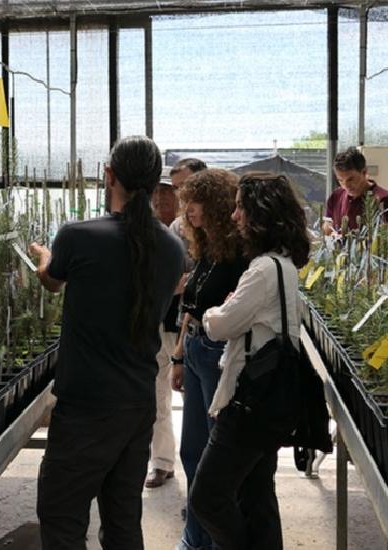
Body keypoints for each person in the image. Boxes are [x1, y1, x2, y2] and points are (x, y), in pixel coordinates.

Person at [29, 135, 184, 550]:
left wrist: (44, 256)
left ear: (108, 176)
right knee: (122, 519)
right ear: (156, 186)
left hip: (86, 405)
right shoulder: (172, 247)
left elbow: (51, 282)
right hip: (136, 403)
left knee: (62, 517)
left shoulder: (78, 237)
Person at [189, 172, 312, 549]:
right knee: (256, 496)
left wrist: (212, 312)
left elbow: (220, 325)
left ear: (260, 213)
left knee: (207, 497)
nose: (234, 216)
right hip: (269, 401)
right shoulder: (283, 264)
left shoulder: (261, 270)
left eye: (241, 207)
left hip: (248, 402)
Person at [170, 168, 248, 550]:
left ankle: (215, 540)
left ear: (216, 204)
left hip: (221, 357)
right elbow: (190, 306)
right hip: (198, 352)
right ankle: (195, 538)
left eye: (193, 203)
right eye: (185, 204)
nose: (188, 212)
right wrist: (179, 356)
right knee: (192, 450)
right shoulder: (204, 249)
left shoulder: (240, 254)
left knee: (217, 456)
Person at [145, 158, 207, 490]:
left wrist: (191, 280)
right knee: (158, 391)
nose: (178, 196)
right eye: (175, 189)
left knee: (202, 401)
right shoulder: (176, 228)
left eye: (183, 187)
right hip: (172, 319)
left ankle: (204, 472)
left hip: (205, 326)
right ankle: (162, 462)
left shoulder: (221, 224)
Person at [322, 147, 388, 236]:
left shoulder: (383, 200)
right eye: (340, 180)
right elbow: (327, 225)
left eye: (351, 179)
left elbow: (385, 238)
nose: (346, 186)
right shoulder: (336, 196)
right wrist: (330, 231)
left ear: (364, 172)